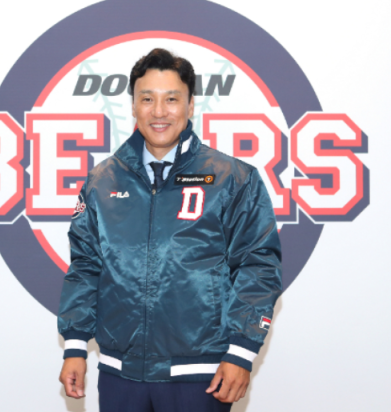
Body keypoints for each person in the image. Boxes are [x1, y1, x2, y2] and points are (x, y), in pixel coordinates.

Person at [58, 48, 282, 411]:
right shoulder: (101, 180)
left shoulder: (234, 179)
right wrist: (75, 346)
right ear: (133, 106)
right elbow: (85, 267)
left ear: (191, 105)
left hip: (202, 375)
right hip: (120, 373)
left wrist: (241, 352)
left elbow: (258, 267)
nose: (159, 111)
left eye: (172, 99)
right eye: (147, 99)